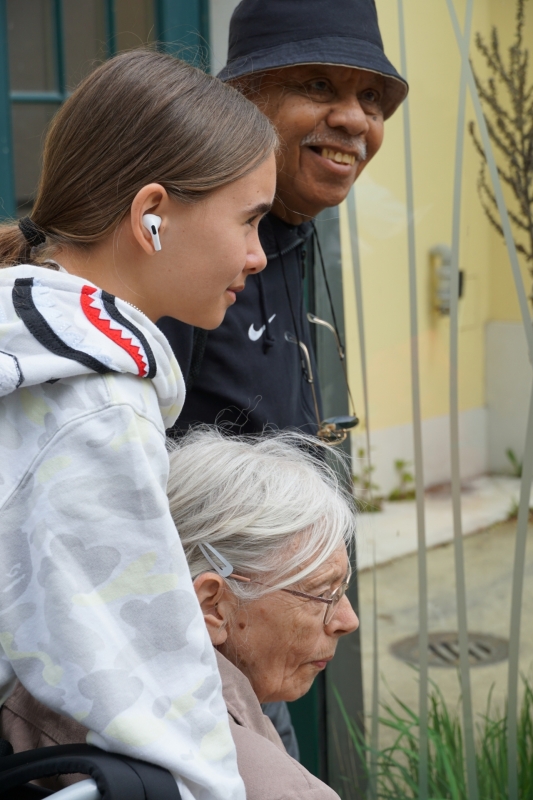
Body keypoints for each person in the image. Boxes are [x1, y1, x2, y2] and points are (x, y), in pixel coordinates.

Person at [0, 49, 277, 800]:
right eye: (249, 220)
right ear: (152, 215)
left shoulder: (33, 350)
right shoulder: (95, 405)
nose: (258, 256)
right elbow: (148, 698)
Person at [2, 429, 359, 800]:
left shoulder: (27, 670)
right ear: (213, 605)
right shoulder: (280, 791)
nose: (348, 621)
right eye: (324, 594)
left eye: (343, 588)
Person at [160, 0, 408, 438]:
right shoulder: (180, 252)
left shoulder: (292, 226)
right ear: (243, 98)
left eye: (370, 96)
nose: (355, 120)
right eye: (319, 85)